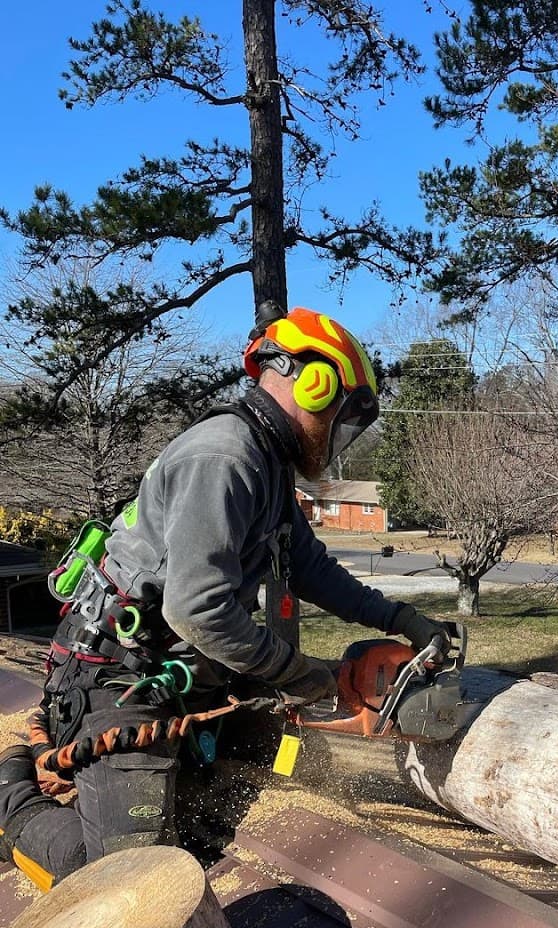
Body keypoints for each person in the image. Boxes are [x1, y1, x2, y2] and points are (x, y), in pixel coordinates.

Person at [0, 304, 449, 890]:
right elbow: (197, 608)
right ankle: (11, 799)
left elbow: (310, 567)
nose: (339, 436)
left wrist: (400, 617)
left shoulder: (265, 465)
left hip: (184, 670)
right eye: (342, 417)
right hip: (120, 676)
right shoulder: (226, 457)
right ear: (313, 383)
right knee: (121, 879)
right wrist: (300, 672)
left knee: (267, 770)